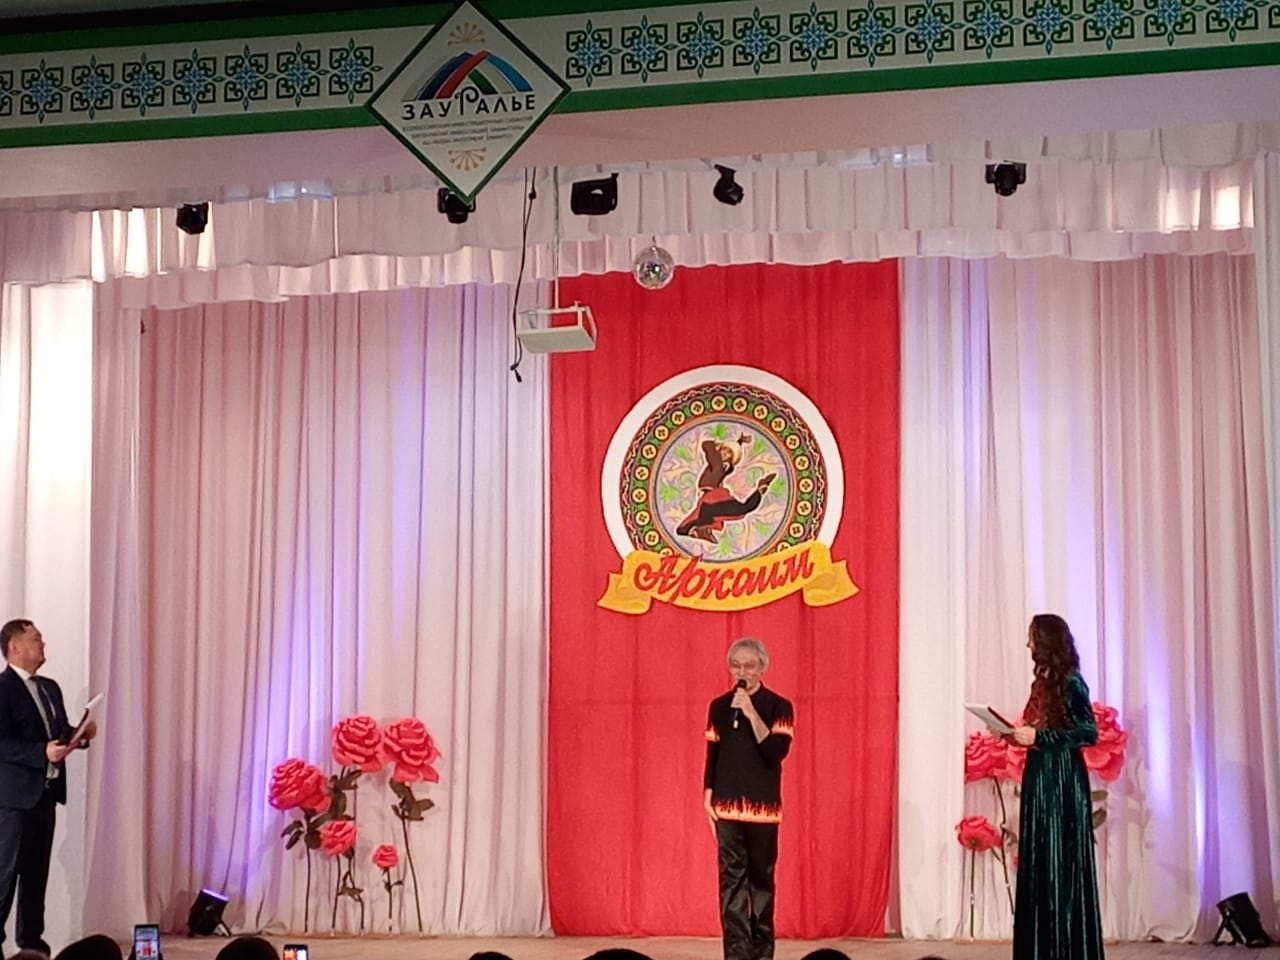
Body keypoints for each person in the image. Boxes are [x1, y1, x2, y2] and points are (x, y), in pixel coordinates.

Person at [1009, 613, 1105, 960]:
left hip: (1062, 780)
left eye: (1032, 637)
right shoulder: (1042, 682)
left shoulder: (1071, 682)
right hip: (1039, 777)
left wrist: (1040, 737)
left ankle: (1066, 949)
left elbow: (1088, 732)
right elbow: (1037, 727)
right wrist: (1012, 735)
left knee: (1060, 861)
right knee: (1039, 860)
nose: (1028, 644)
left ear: (1046, 642)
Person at [0, 619, 97, 957]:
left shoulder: (49, 688)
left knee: (36, 876)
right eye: (35, 639)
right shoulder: (3, 689)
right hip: (14, 801)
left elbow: (58, 733)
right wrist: (40, 752)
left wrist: (80, 735)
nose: (43, 644)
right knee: (5, 876)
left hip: (46, 796)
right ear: (15, 647)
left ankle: (32, 945)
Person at [702, 637, 794, 960]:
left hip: (762, 810)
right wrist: (707, 794)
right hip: (726, 806)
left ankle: (762, 952)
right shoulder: (718, 707)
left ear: (762, 668)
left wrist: (752, 713)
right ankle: (737, 953)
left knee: (761, 883)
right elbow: (713, 754)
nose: (742, 672)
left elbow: (775, 752)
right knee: (731, 883)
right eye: (736, 665)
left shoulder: (779, 707)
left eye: (750, 666)